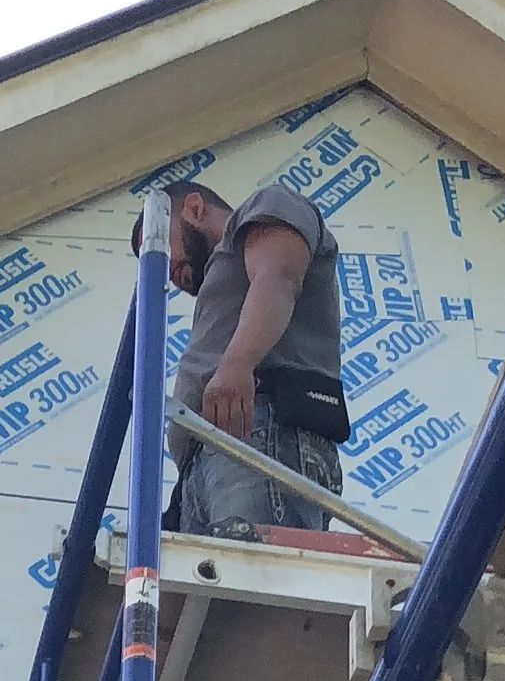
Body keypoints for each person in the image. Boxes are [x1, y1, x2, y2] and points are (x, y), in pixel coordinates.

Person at [138, 172, 351, 536]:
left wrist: (237, 365)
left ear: (194, 208)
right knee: (220, 586)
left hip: (258, 432)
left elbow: (278, 276)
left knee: (259, 576)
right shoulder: (222, 286)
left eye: (161, 246)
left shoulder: (266, 206)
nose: (170, 275)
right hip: (209, 463)